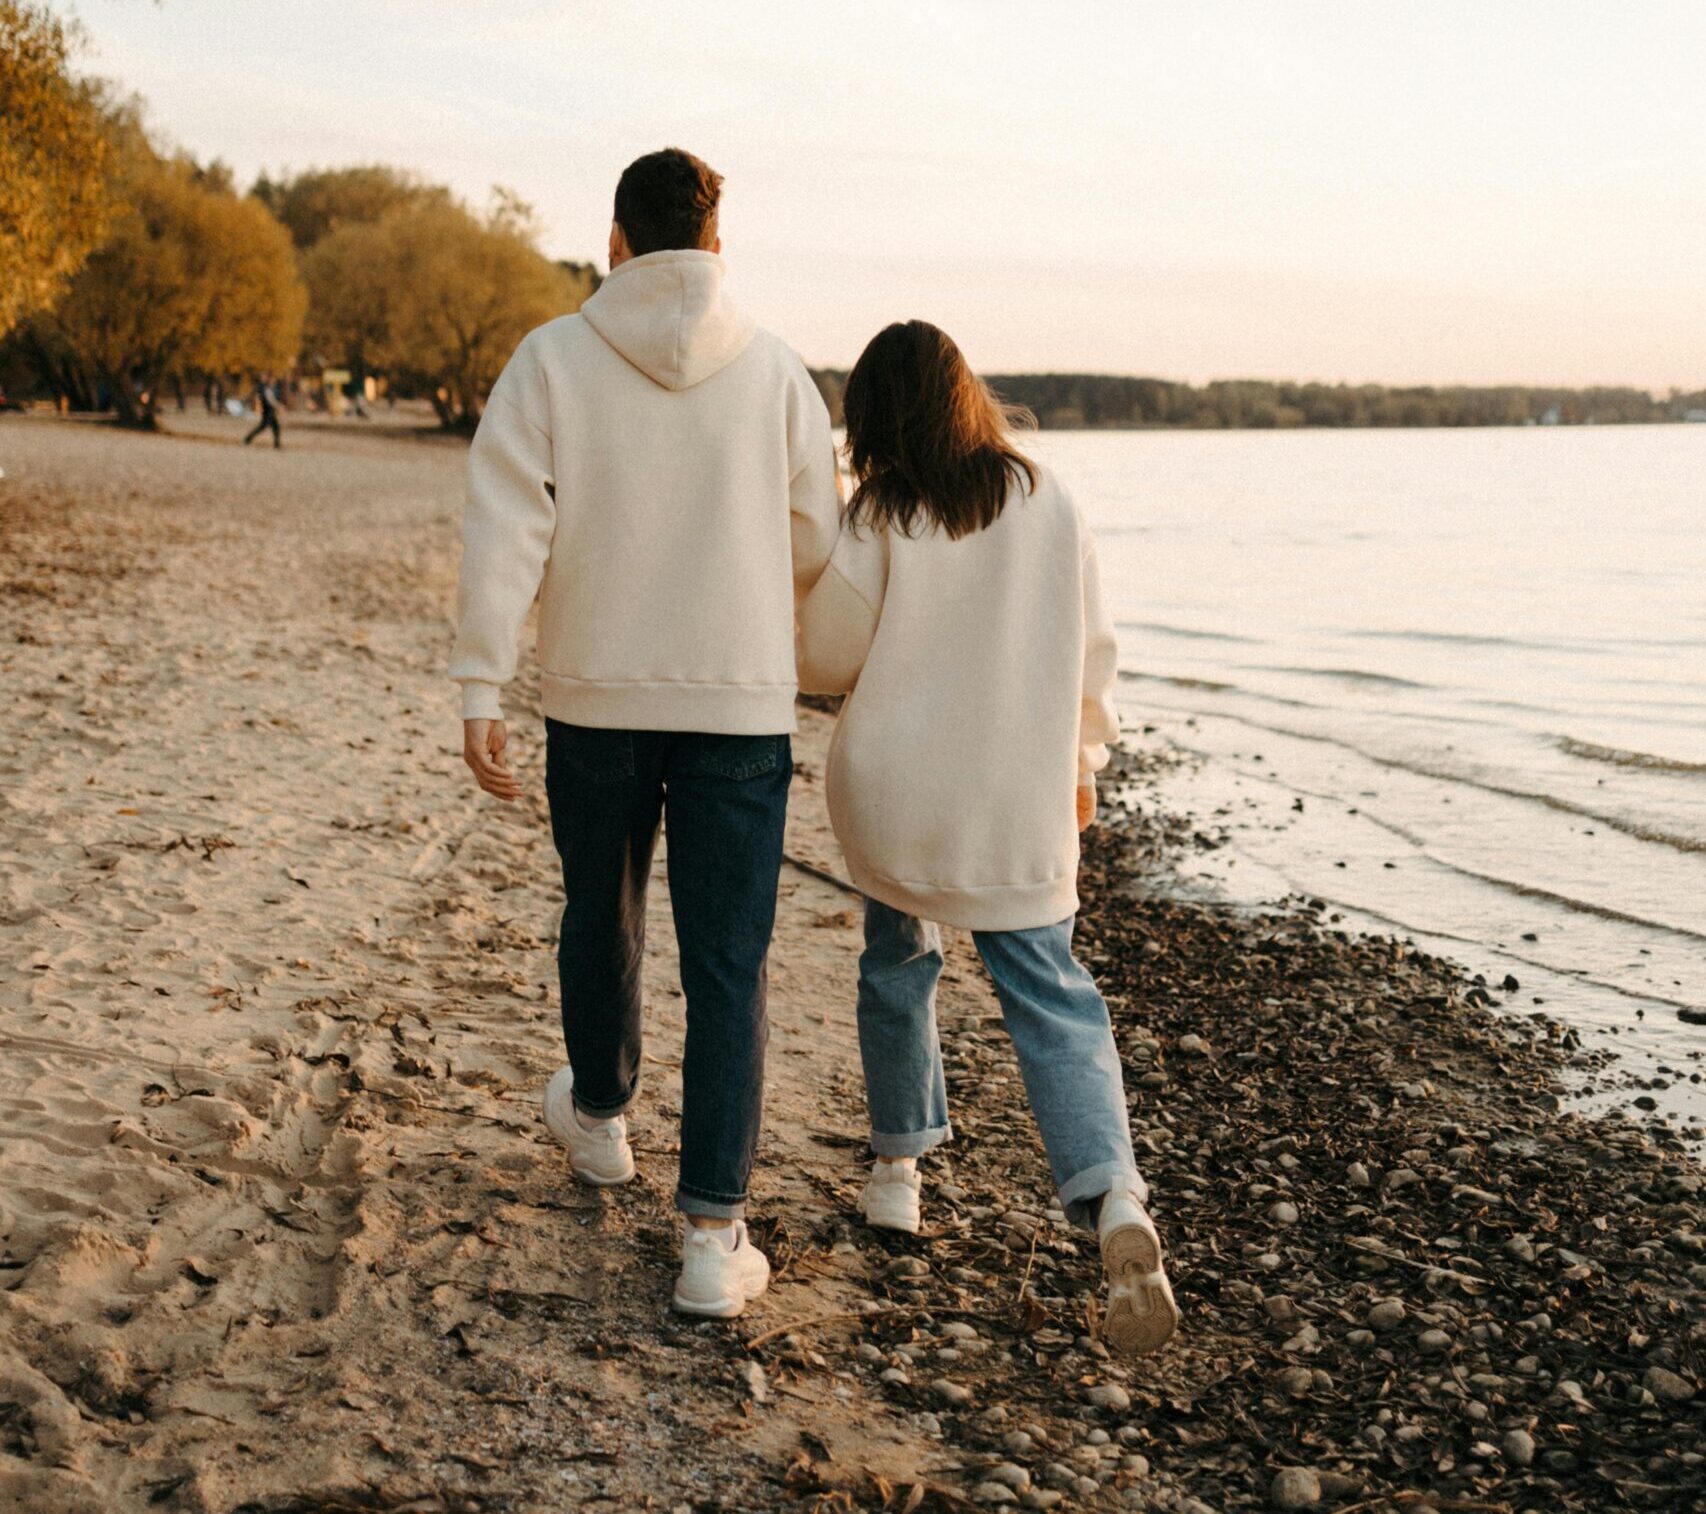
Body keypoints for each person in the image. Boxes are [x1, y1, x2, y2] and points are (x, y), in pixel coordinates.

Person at [450, 148, 840, 1317]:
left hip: (596, 697)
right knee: (729, 965)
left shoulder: (552, 358)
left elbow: (501, 522)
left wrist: (481, 681)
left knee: (601, 910)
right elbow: (815, 538)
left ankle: (604, 1114)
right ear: (716, 246)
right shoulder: (775, 371)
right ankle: (713, 1238)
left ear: (613, 243)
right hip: (735, 705)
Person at [796, 320, 1178, 1355]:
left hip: (901, 797)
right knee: (1052, 998)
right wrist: (1081, 772)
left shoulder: (880, 512)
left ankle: (895, 1173)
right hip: (1014, 802)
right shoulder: (1048, 499)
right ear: (966, 396)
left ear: (874, 421)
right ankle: (1110, 1197)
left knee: (897, 962)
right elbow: (1094, 658)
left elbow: (824, 657)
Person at [243, 375, 281, 448]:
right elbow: (271, 401)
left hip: (269, 412)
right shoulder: (266, 389)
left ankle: (277, 444)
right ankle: (247, 439)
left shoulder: (267, 389)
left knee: (274, 427)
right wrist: (278, 406)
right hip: (268, 412)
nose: (274, 382)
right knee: (264, 427)